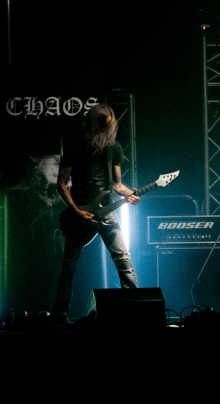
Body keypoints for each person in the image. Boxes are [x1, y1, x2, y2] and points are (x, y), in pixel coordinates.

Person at [53, 103, 140, 317]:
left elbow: (117, 185)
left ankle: (135, 310)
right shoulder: (75, 147)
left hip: (107, 212)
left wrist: (130, 193)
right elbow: (61, 184)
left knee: (124, 259)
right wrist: (76, 210)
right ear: (96, 125)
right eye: (106, 125)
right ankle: (60, 313)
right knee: (68, 266)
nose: (109, 129)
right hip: (80, 213)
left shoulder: (114, 148)